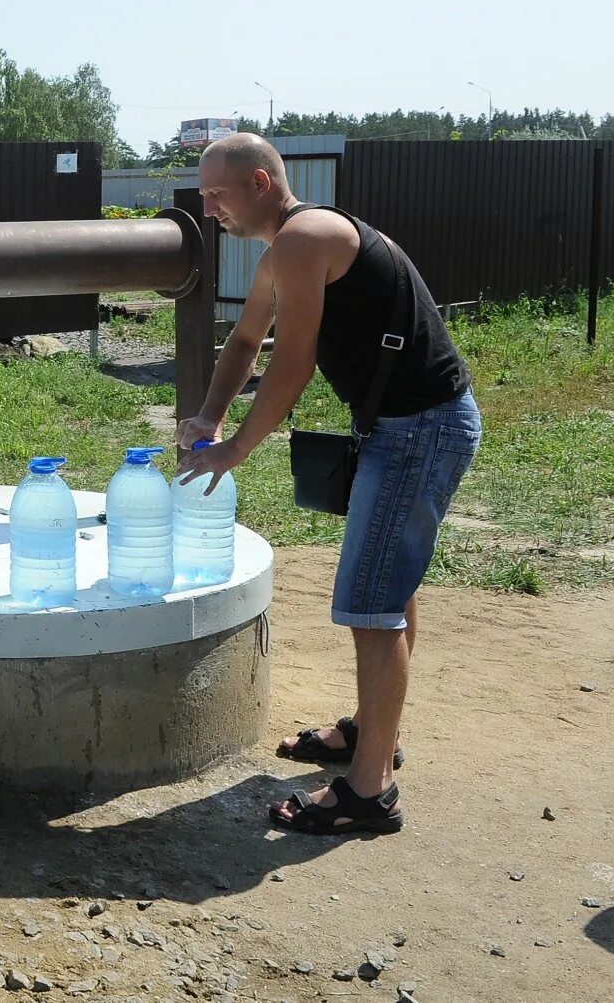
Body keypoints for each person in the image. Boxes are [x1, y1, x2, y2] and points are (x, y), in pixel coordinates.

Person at [178, 133, 481, 837]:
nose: (208, 206)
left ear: (259, 181)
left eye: (217, 193)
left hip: (421, 428)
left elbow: (293, 364)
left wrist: (236, 449)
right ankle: (370, 732)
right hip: (411, 426)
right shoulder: (288, 244)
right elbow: (246, 340)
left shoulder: (303, 239)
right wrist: (209, 412)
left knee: (369, 601)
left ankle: (370, 789)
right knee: (388, 587)